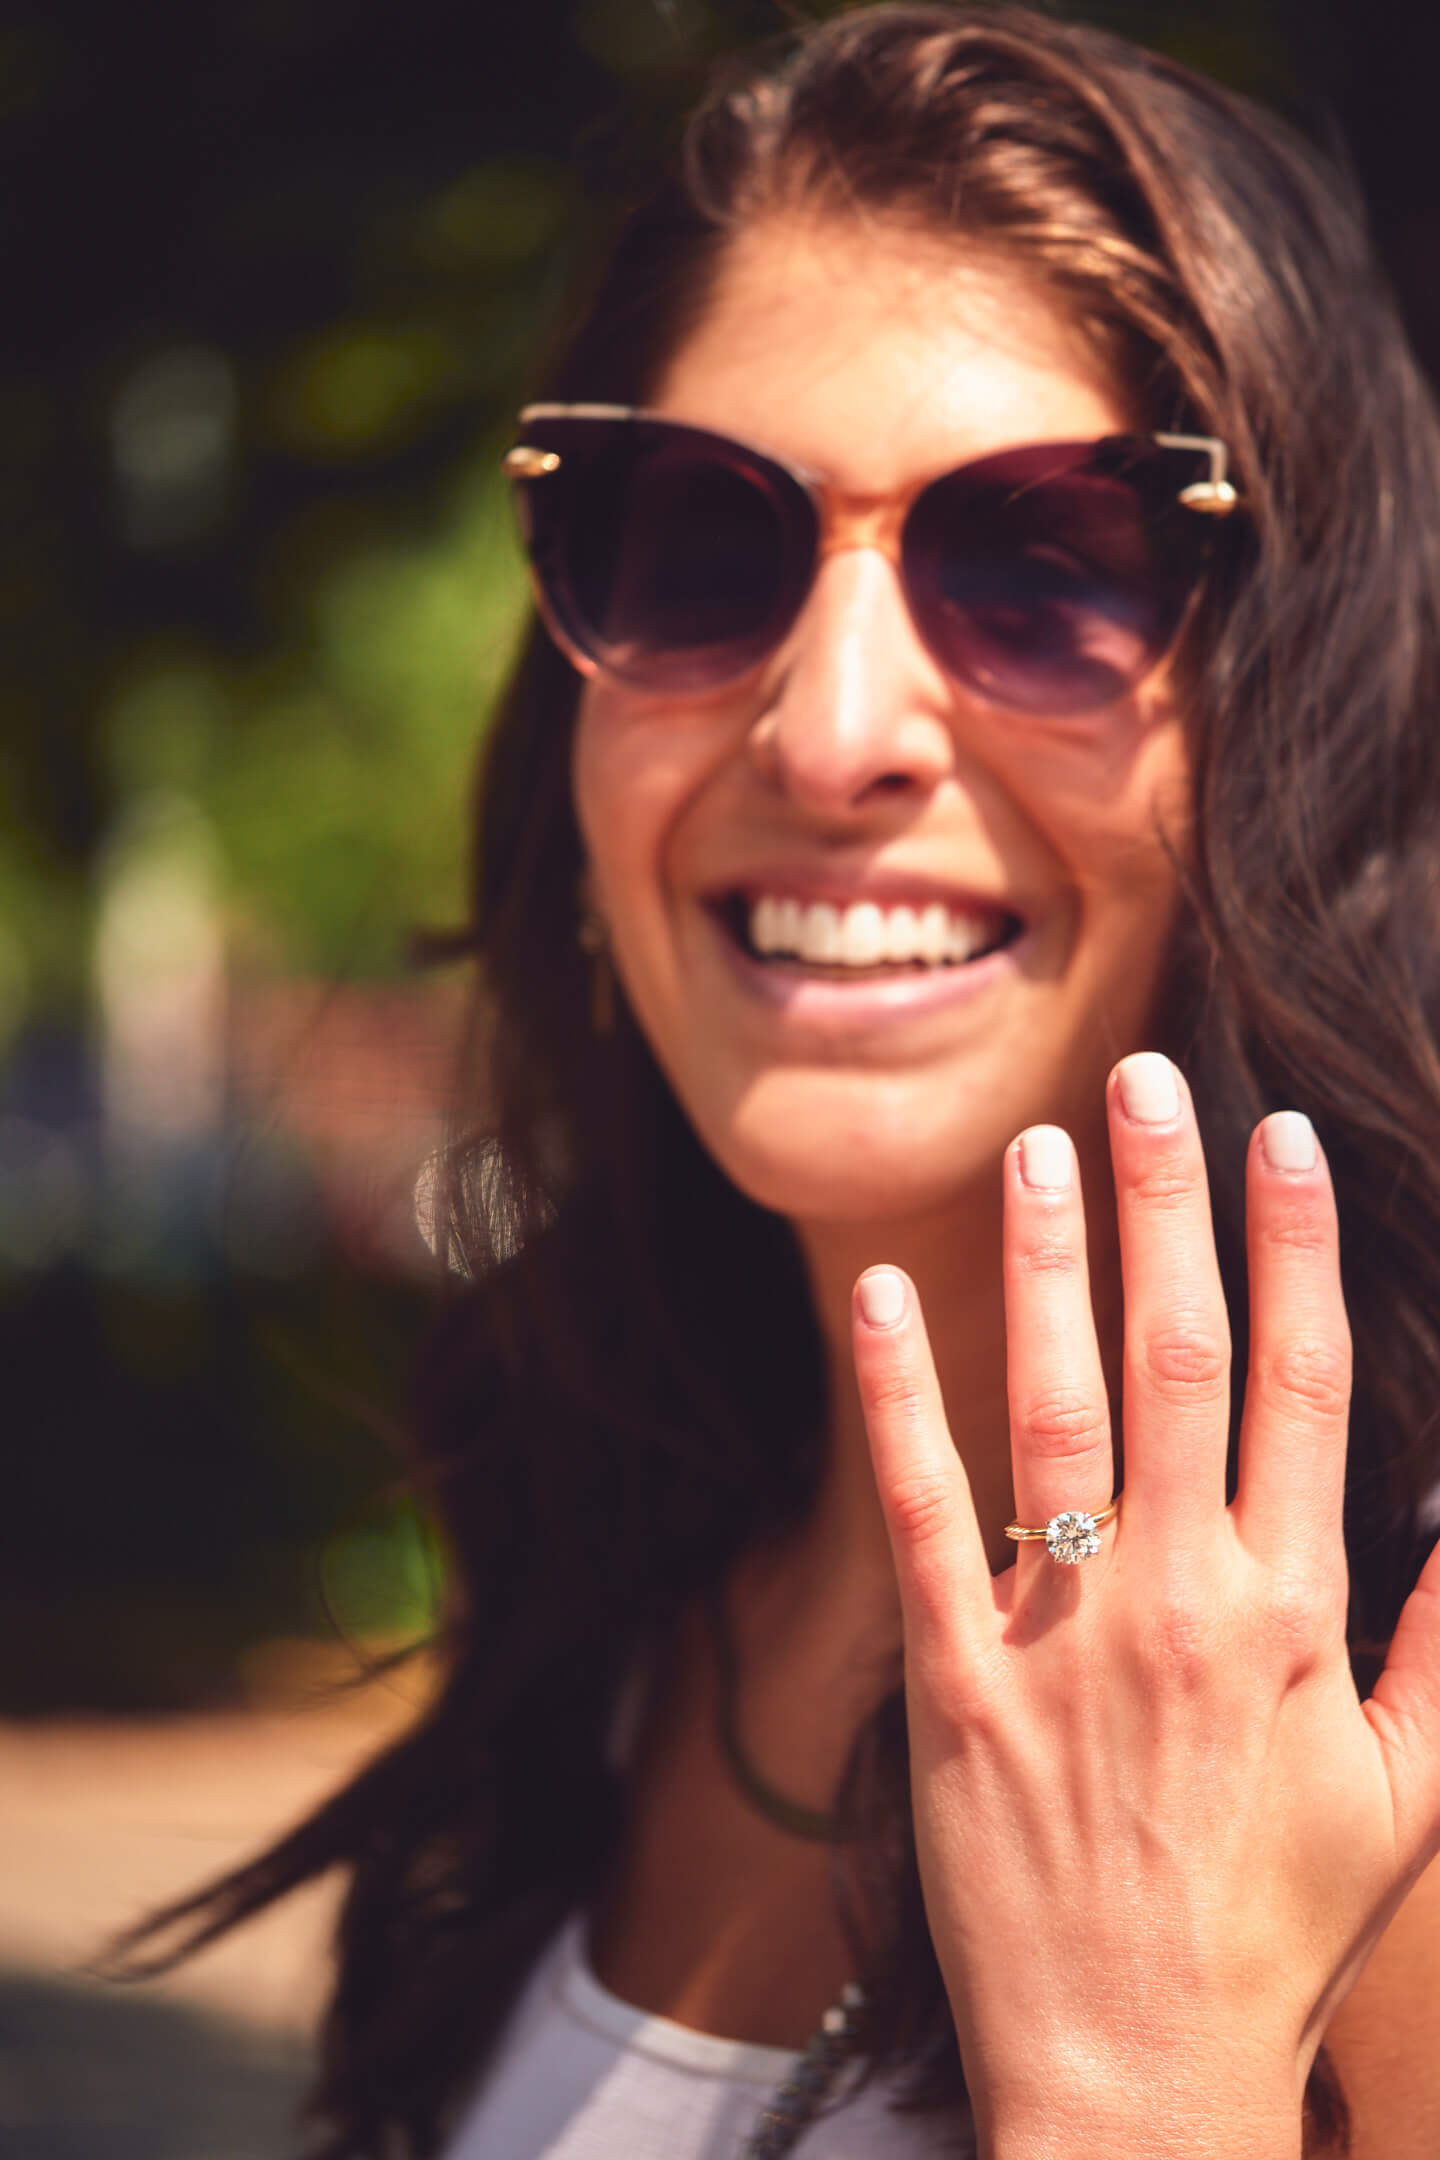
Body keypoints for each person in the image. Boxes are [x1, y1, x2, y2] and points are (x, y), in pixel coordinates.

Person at [130, 6, 1440, 2155]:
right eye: (700, 541)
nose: (833, 731)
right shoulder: (604, 1612)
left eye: (1047, 563)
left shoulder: (1389, 1749)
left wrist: (1139, 2083)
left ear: (1304, 706)